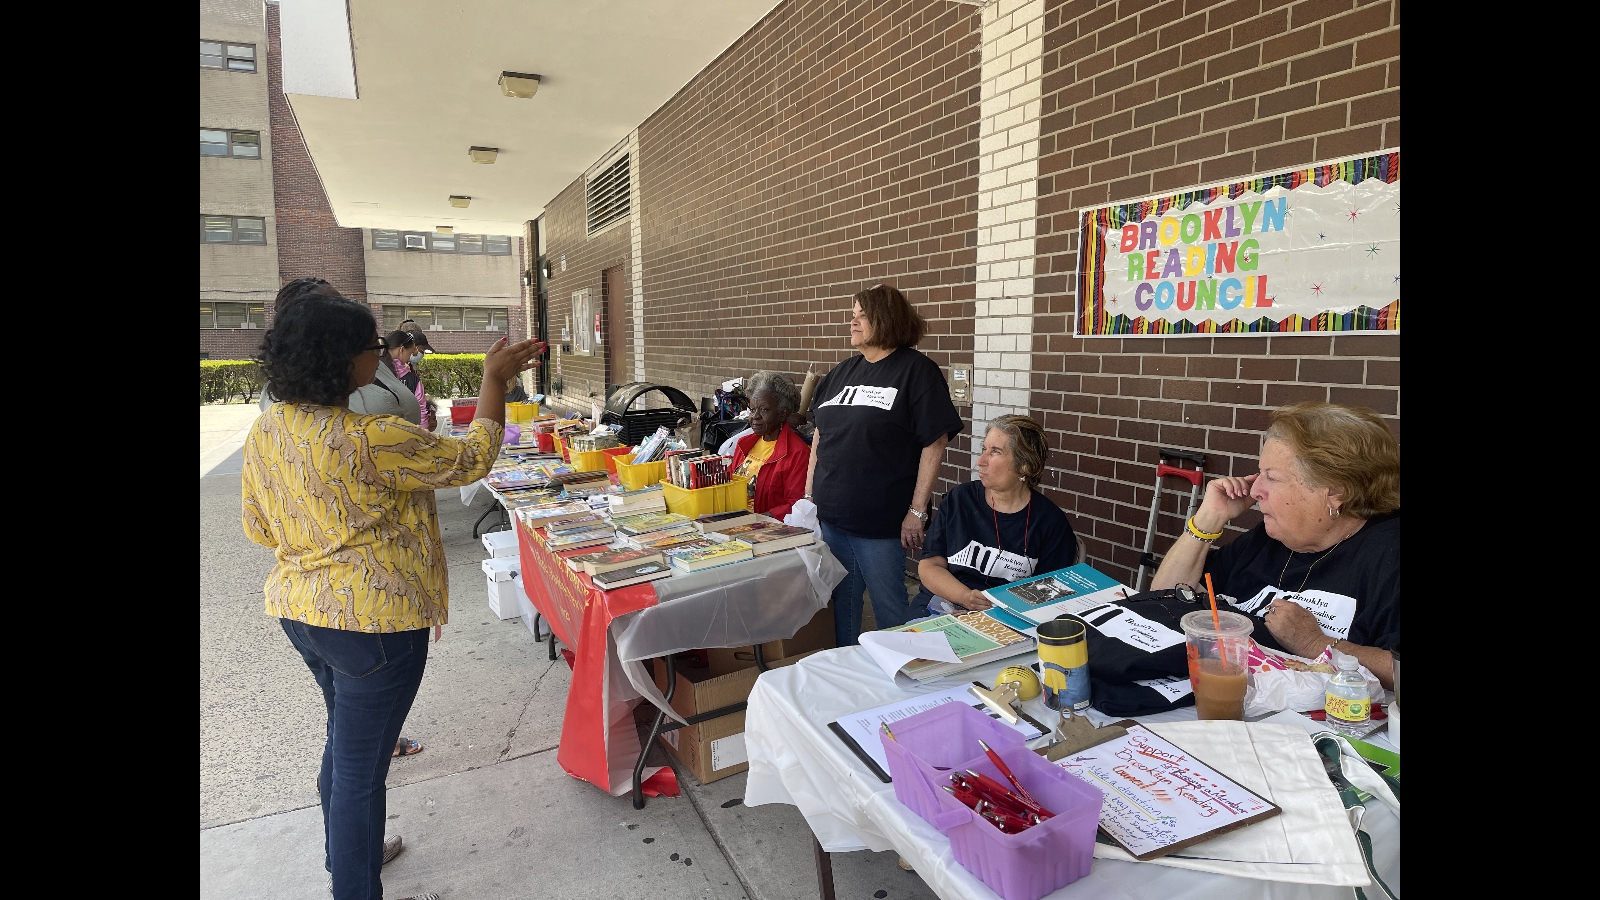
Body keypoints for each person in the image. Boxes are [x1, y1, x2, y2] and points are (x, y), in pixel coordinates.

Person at [242, 294, 541, 900]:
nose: (377, 357)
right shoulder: (373, 437)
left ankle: (348, 853)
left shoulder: (269, 427)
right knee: (360, 768)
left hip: (301, 612)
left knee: (346, 745)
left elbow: (259, 526)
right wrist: (493, 379)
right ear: (342, 359)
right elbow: (474, 456)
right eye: (371, 347)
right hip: (374, 626)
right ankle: (354, 883)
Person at [1151, 401, 1399, 689]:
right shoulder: (1270, 538)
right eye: (1260, 474)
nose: (1255, 491)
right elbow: (1161, 599)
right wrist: (1208, 520)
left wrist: (1315, 643)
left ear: (1335, 491)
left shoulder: (1389, 553)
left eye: (1273, 477)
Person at [805, 284, 963, 646]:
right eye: (853, 313)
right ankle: (847, 667)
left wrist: (917, 511)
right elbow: (819, 436)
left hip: (880, 521)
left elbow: (934, 440)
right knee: (842, 602)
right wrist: (809, 495)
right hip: (832, 517)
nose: (852, 321)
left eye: (862, 314)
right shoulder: (840, 373)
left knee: (889, 609)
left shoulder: (915, 372)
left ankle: (904, 675)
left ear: (885, 319)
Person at [916, 415, 1078, 615]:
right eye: (984, 449)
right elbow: (929, 566)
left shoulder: (1049, 522)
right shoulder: (960, 500)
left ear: (1024, 466)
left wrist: (985, 615)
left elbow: (1048, 596)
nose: (980, 462)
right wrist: (965, 598)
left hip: (1005, 618)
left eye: (995, 452)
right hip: (941, 603)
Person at [259, 280, 417, 425]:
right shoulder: (282, 405)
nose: (347, 315)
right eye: (330, 309)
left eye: (342, 303)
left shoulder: (369, 357)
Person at [729, 371, 810, 519]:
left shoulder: (798, 453)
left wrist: (758, 519)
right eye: (753, 409)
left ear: (782, 414)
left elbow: (796, 504)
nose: (755, 416)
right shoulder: (743, 444)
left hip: (766, 532)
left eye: (764, 409)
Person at [387, 330, 431, 430]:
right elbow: (421, 409)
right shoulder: (412, 380)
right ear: (402, 350)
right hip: (408, 433)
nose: (409, 358)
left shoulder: (374, 373)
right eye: (410, 352)